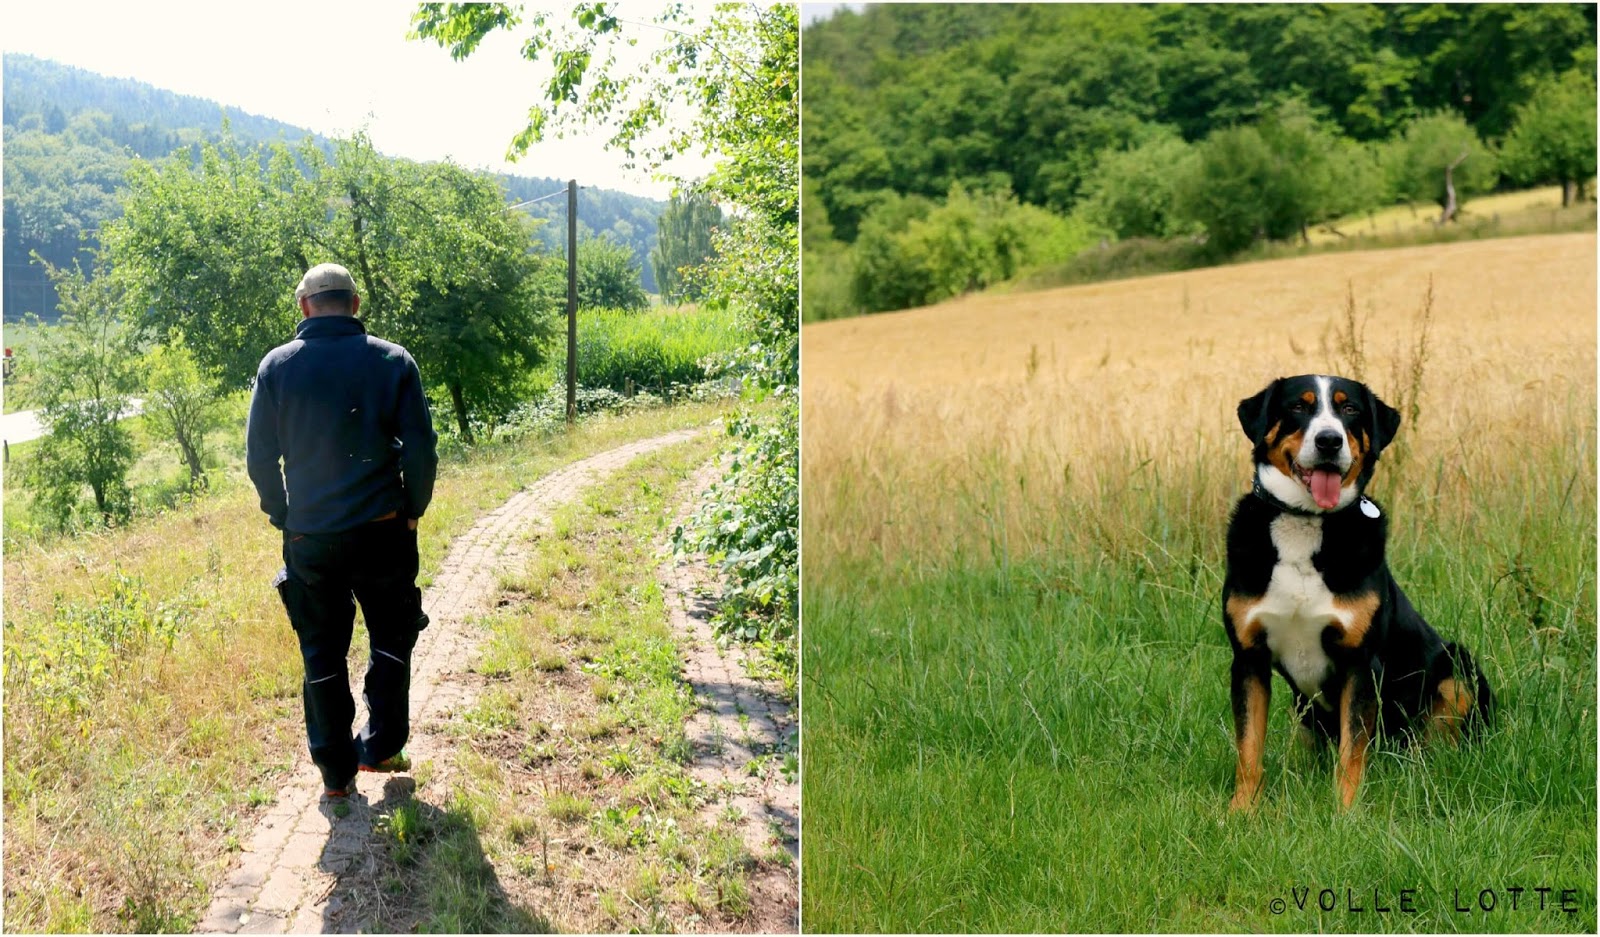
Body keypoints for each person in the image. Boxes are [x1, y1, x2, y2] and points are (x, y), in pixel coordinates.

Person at [246, 263, 439, 799]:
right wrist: (413, 509)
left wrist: (283, 514)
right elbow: (422, 450)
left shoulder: (276, 367)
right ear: (354, 305)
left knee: (322, 652)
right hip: (384, 531)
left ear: (304, 306)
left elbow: (260, 457)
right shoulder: (393, 360)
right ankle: (380, 748)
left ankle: (335, 775)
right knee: (392, 639)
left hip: (311, 539)